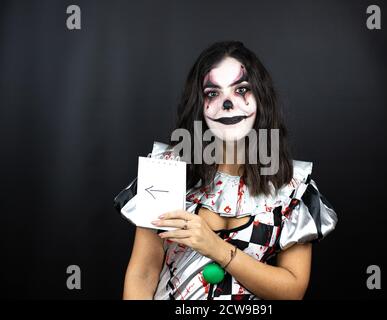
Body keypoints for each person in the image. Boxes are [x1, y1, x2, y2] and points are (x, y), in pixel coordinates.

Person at [114, 41, 337, 300]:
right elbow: (143, 274)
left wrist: (216, 248)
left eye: (242, 89)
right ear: (199, 104)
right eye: (212, 93)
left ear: (261, 98)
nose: (228, 104)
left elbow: (292, 290)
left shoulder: (291, 185)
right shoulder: (168, 169)